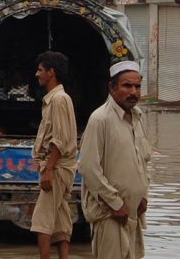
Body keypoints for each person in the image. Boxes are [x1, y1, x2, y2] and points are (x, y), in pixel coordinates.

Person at [78, 60, 152, 259]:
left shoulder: (138, 118)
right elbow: (88, 168)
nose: (133, 92)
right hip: (110, 214)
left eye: (137, 86)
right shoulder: (100, 119)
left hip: (133, 212)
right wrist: (115, 203)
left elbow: (143, 160)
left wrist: (143, 195)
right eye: (127, 86)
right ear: (112, 87)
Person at [30, 51, 78, 259]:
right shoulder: (57, 99)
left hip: (57, 168)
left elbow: (59, 138)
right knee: (60, 218)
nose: (37, 74)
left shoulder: (58, 100)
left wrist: (49, 169)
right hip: (61, 167)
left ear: (51, 73)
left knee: (41, 220)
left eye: (40, 70)